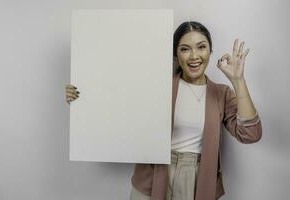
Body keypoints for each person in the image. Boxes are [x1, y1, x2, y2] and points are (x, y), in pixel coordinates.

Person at [65, 21, 262, 200]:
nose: (194, 56)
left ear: (210, 51)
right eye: (185, 49)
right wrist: (83, 99)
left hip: (197, 180)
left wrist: (238, 81)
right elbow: (118, 106)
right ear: (176, 54)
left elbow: (250, 134)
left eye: (201, 47)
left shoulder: (220, 94)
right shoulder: (159, 85)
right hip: (153, 177)